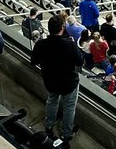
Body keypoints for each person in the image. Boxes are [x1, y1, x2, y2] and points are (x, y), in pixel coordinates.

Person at [32, 13, 84, 142]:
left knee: (51, 101)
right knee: (69, 108)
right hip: (69, 83)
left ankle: (48, 127)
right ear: (62, 28)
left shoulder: (41, 44)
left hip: (50, 81)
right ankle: (66, 134)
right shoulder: (70, 45)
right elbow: (80, 62)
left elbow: (33, 61)